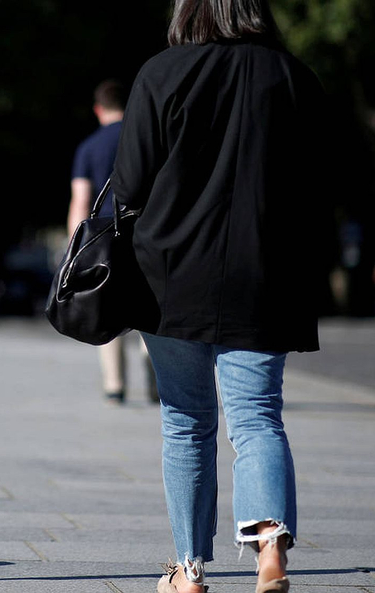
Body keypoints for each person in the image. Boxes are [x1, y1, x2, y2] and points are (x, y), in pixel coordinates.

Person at [111, 2, 327, 592]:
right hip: (265, 274)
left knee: (185, 420)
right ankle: (269, 551)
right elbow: (323, 183)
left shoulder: (161, 73)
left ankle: (188, 569)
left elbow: (128, 184)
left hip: (169, 277)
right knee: (258, 417)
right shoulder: (294, 77)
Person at [68, 79, 157, 406]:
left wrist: (75, 246)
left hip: (105, 239)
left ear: (98, 109)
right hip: (145, 234)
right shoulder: (146, 141)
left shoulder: (89, 147)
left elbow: (81, 200)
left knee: (107, 307)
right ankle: (156, 379)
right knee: (148, 308)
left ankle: (115, 385)